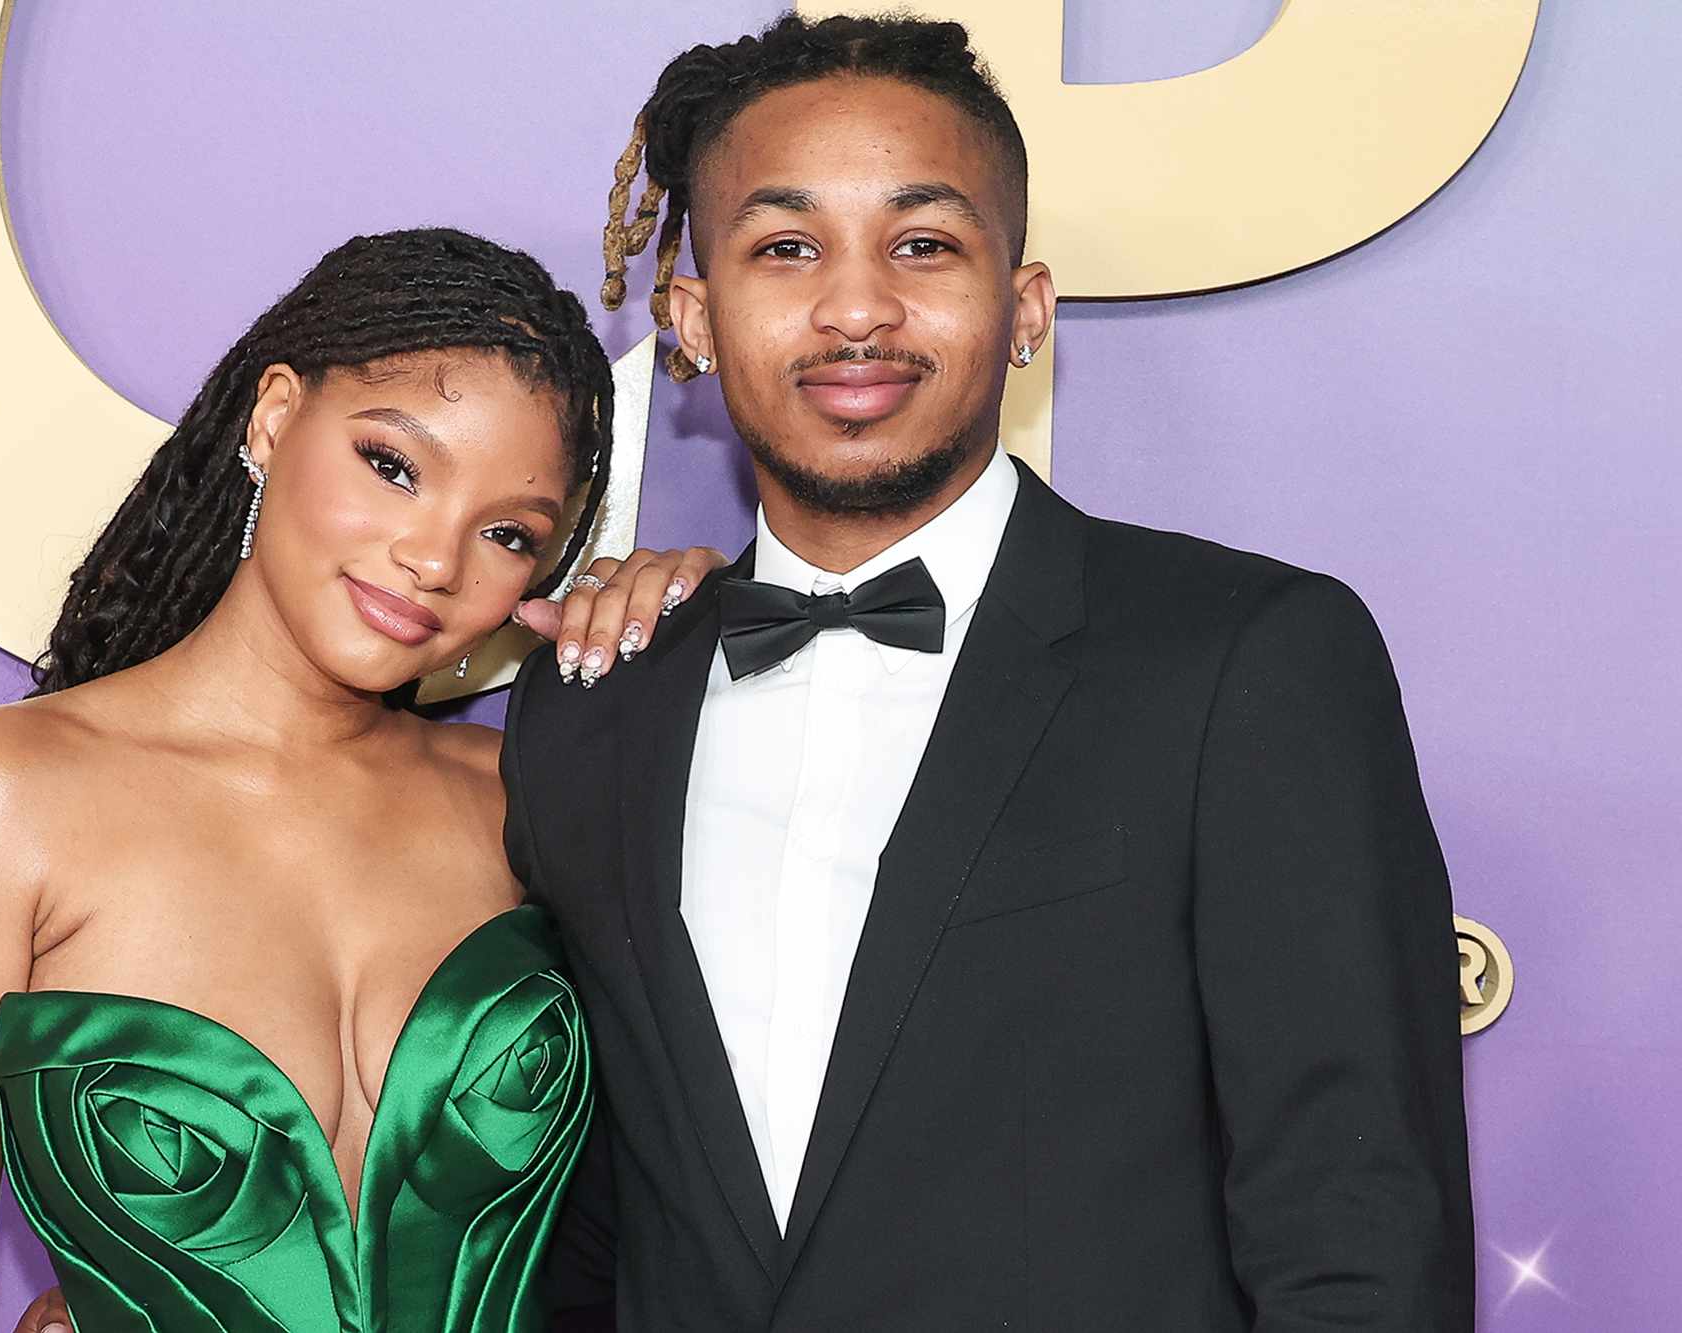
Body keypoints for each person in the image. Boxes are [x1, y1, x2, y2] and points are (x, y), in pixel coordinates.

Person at [504, 14, 1475, 1331]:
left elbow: (1356, 1232)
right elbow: (592, 1226)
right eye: (786, 247)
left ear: (1023, 310)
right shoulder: (592, 706)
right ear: (692, 322)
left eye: (925, 244)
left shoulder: (1245, 662)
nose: (856, 307)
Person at [0, 228, 720, 1333]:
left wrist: (704, 629)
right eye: (393, 467)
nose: (433, 559)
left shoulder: (523, 796)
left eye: (505, 531)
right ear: (272, 418)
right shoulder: (1, 798)